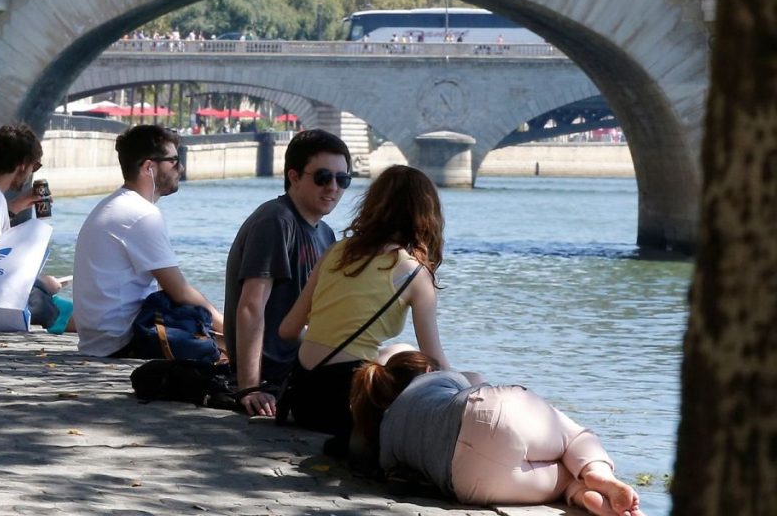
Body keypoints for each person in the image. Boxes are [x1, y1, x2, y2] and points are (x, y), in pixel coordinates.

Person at [276, 165, 460, 450]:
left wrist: (327, 335)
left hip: (302, 400)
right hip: (349, 407)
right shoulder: (413, 273)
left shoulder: (337, 251)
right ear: (427, 216)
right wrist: (471, 388)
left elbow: (288, 329)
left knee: (397, 350)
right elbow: (434, 363)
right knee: (452, 373)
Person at [349, 352, 648, 516]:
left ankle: (581, 495)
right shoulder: (433, 380)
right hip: (488, 410)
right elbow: (477, 379)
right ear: (426, 369)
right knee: (574, 438)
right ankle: (599, 475)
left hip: (467, 477)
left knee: (562, 482)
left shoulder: (386, 432)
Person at [224, 129, 351, 417]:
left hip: (304, 361)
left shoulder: (326, 233)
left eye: (342, 179)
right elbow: (251, 306)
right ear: (294, 176)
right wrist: (250, 387)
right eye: (322, 177)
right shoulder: (276, 221)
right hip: (277, 374)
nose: (333, 187)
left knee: (398, 359)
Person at [73, 124, 223, 357]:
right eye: (174, 160)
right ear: (148, 167)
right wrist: (230, 329)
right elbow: (180, 291)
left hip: (99, 340)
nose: (180, 167)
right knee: (213, 338)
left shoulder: (114, 205)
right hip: (123, 342)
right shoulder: (141, 214)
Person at [0, 123, 64, 326]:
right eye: (35, 166)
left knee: (52, 302)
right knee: (49, 304)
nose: (32, 173)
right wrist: (42, 282)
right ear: (23, 165)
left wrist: (17, 205)